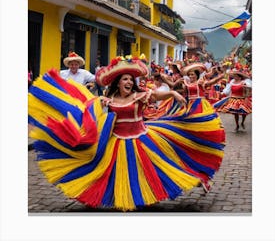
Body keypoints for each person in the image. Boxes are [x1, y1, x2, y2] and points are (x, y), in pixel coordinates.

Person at [28, 56, 225, 211]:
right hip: (116, 141)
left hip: (142, 138)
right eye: (125, 79)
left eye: (131, 79)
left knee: (164, 166)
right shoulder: (108, 98)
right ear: (118, 82)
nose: (129, 82)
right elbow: (90, 109)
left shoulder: (139, 96)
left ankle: (197, 178)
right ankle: (103, 195)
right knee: (111, 172)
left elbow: (157, 94)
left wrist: (173, 93)